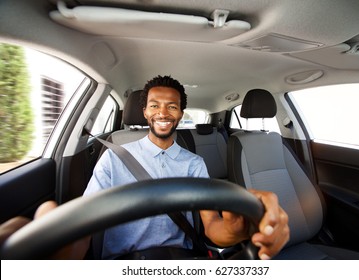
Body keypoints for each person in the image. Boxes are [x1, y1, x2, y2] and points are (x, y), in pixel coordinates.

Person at [0, 75, 289, 260]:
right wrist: (58, 253)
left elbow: (213, 227)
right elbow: (86, 226)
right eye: (154, 105)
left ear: (180, 114)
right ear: (145, 111)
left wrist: (238, 230)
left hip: (179, 261)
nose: (163, 112)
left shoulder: (194, 163)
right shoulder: (114, 157)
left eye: (172, 106)